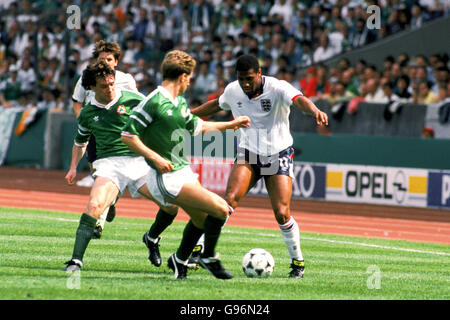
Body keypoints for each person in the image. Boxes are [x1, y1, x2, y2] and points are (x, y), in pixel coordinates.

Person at [190, 54, 328, 278]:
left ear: (259, 74)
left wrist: (314, 111)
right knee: (228, 201)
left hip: (278, 153)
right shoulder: (234, 89)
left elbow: (299, 99)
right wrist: (189, 115)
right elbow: (217, 104)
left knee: (282, 213)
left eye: (250, 79)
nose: (245, 83)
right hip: (249, 153)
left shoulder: (277, 87)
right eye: (241, 78)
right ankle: (199, 250)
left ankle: (297, 263)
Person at [121, 50, 250, 280]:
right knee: (221, 209)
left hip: (183, 171)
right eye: (189, 77)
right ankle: (208, 257)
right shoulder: (154, 101)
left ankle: (179, 261)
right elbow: (128, 135)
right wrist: (156, 158)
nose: (190, 82)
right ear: (182, 76)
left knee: (201, 219)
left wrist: (231, 124)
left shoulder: (179, 102)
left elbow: (197, 127)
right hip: (165, 177)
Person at [63, 61, 177, 272]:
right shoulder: (87, 113)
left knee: (171, 206)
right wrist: (72, 167)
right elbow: (80, 143)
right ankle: (76, 261)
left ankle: (151, 238)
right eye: (104, 87)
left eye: (112, 84)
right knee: (94, 206)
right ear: (92, 89)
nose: (110, 89)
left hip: (139, 163)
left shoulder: (133, 99)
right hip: (109, 165)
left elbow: (158, 115)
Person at [72, 40, 138, 239]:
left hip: (118, 133)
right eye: (102, 59)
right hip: (96, 131)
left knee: (109, 175)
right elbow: (77, 101)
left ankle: (99, 221)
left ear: (116, 61)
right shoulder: (88, 77)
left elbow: (136, 105)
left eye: (109, 59)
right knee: (97, 174)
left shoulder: (126, 80)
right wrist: (85, 123)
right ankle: (110, 202)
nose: (106, 63)